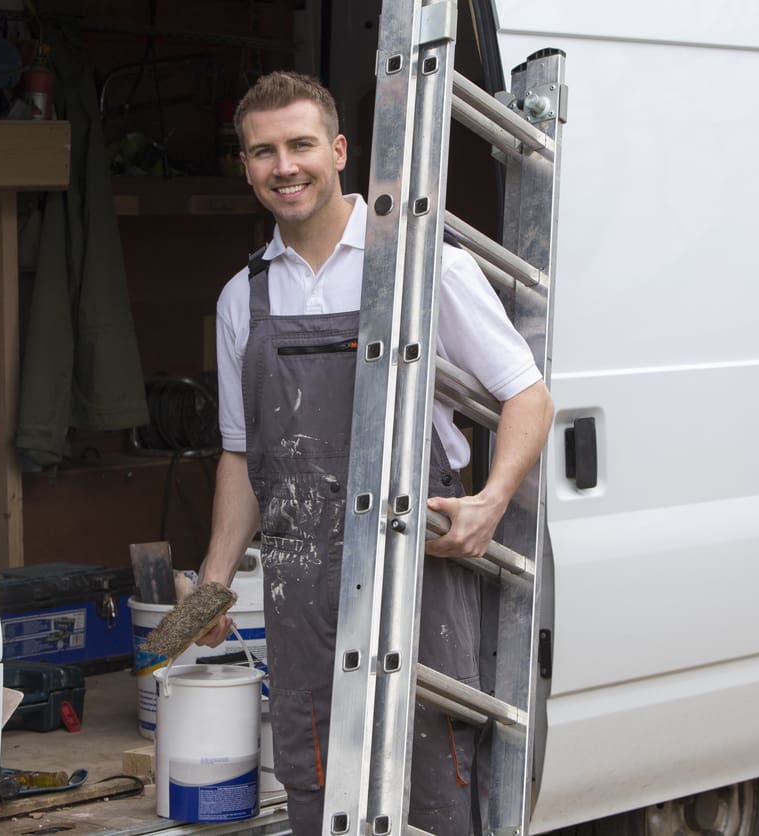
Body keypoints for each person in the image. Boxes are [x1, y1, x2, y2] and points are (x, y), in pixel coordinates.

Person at [193, 70, 553, 834]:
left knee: (428, 782)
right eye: (263, 152)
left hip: (410, 573)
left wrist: (489, 502)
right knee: (316, 779)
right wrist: (213, 583)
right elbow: (240, 456)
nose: (283, 167)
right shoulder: (241, 298)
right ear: (247, 166)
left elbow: (528, 396)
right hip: (300, 595)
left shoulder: (426, 265)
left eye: (300, 145)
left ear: (341, 150)